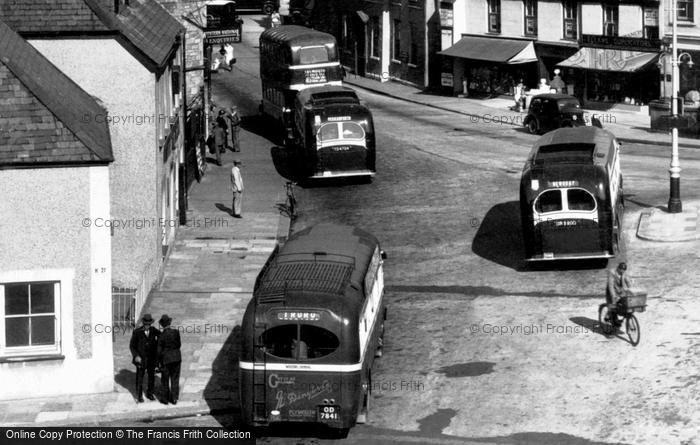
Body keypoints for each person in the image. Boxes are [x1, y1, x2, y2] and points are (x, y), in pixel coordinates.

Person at [129, 313, 159, 402]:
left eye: (149, 324)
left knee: (151, 377)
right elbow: (132, 346)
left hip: (151, 359)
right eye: (146, 324)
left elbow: (162, 337)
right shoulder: (137, 332)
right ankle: (139, 395)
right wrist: (136, 356)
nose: (147, 326)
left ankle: (150, 393)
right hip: (141, 359)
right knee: (140, 377)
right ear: (143, 323)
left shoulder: (154, 330)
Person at [157, 314, 181, 405]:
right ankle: (174, 398)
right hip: (176, 358)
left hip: (166, 360)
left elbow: (158, 351)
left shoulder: (161, 336)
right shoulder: (176, 332)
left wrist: (158, 363)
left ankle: (165, 399)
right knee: (175, 378)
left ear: (162, 325)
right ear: (169, 323)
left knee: (165, 379)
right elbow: (179, 344)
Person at [606, 262, 632, 326]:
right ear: (618, 268)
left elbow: (628, 282)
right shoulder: (612, 272)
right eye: (621, 270)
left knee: (623, 304)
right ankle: (608, 317)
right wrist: (613, 295)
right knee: (613, 305)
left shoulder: (624, 273)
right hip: (611, 291)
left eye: (624, 270)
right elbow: (611, 285)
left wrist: (632, 290)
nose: (622, 272)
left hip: (619, 291)